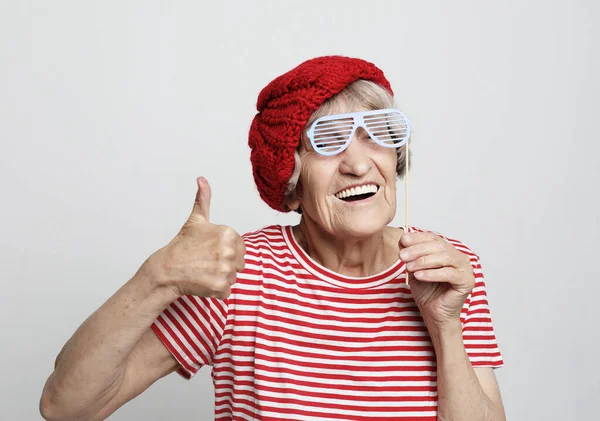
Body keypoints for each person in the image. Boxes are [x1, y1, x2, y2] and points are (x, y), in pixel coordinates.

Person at [40, 55, 506, 421]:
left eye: (376, 135)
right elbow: (67, 407)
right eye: (328, 140)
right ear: (290, 178)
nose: (359, 164)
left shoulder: (448, 267)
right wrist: (157, 278)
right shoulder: (242, 277)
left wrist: (445, 325)